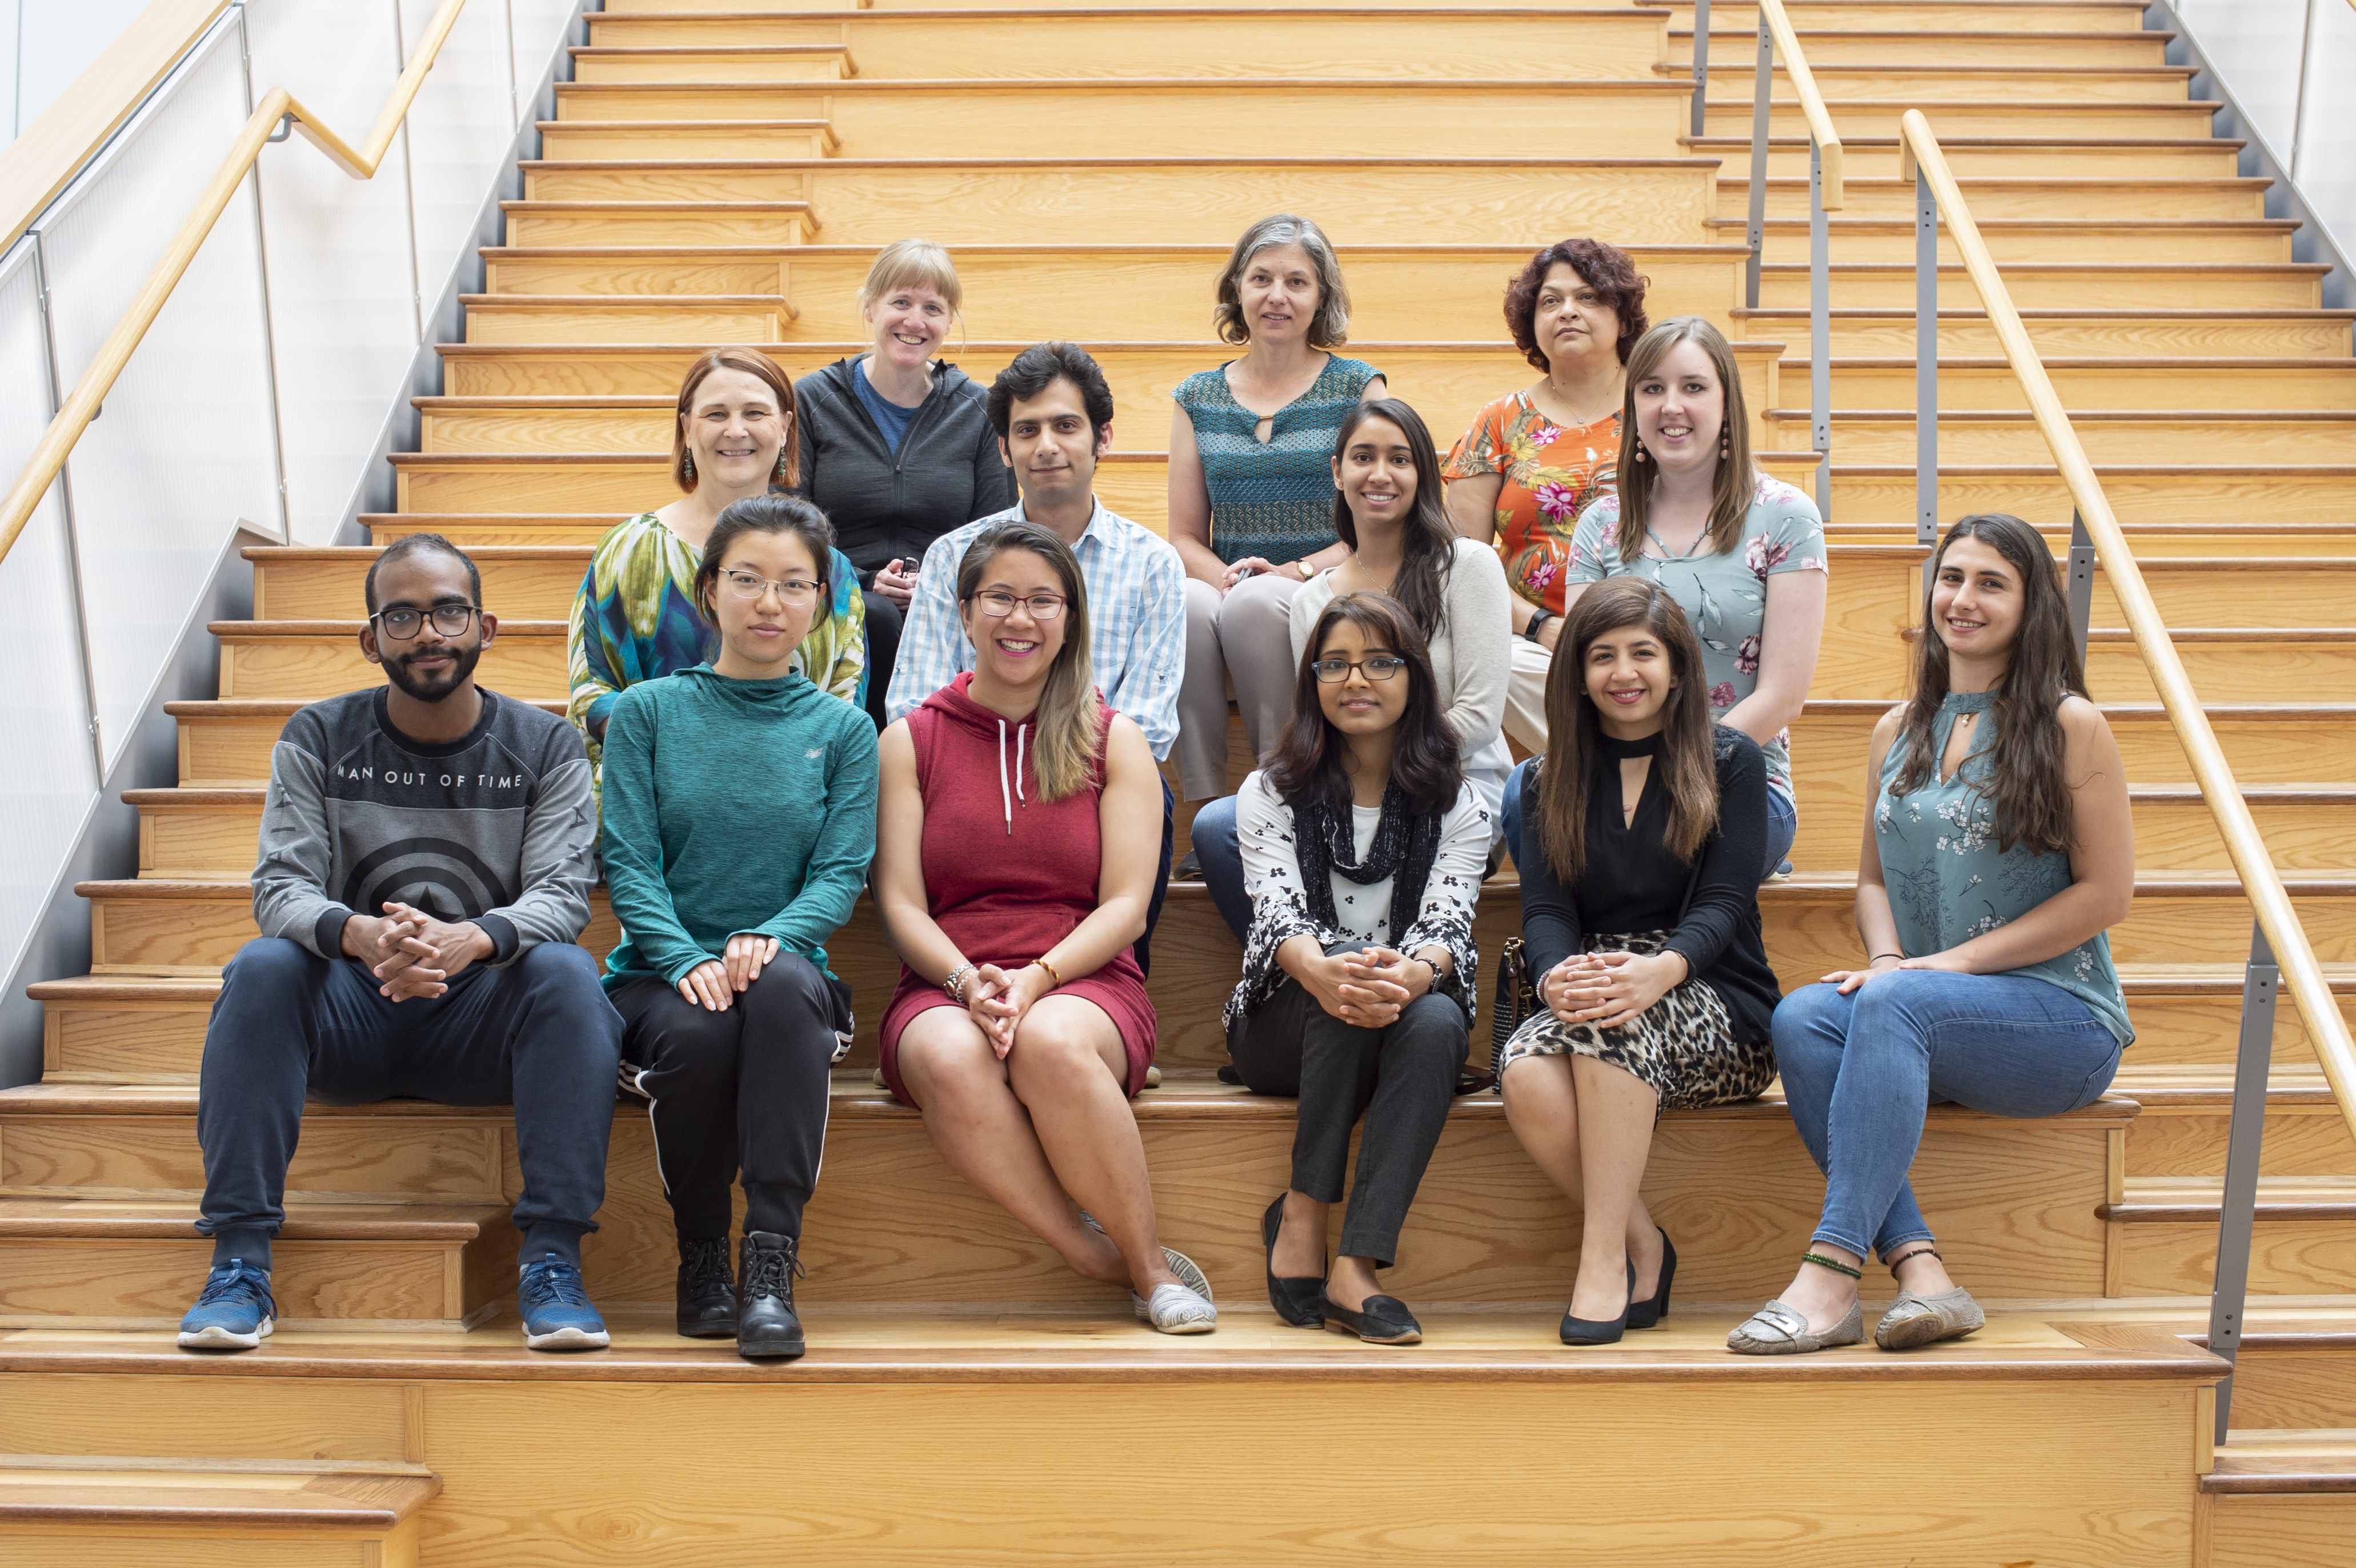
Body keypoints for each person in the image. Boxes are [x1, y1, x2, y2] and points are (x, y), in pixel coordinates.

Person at [180, 535, 622, 1354]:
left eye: (450, 611)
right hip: (352, 1017)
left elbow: (561, 898)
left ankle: (554, 1262)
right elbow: (279, 889)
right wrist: (362, 934)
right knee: (263, 965)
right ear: (370, 637)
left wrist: (472, 940)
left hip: (480, 1024)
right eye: (404, 616)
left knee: (566, 970)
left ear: (485, 627)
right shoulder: (317, 734)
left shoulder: (546, 744)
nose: (430, 633)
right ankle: (239, 1262)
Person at [1730, 514, 2134, 1356]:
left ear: (2032, 606)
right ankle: (1923, 1272)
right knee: (1802, 1018)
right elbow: (1872, 879)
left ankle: (1831, 1273)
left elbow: (2106, 895)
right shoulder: (1896, 730)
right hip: (1923, 1008)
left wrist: (1932, 969)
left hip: (2060, 1020)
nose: (1964, 599)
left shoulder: (2070, 725)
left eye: (1993, 583)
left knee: (1897, 1000)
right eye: (1953, 577)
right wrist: (1889, 963)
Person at [873, 521, 1216, 1334]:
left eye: (1041, 600)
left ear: (1070, 617)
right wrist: (966, 982)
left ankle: (1148, 1264)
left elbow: (1128, 906)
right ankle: (1087, 1251)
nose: (1018, 618)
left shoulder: (1114, 737)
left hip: (1084, 977)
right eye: (998, 597)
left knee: (1049, 1040)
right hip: (945, 977)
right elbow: (899, 904)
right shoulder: (909, 739)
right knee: (949, 1053)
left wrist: (1035, 980)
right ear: (963, 613)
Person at [597, 496, 879, 1361]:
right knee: (699, 1027)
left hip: (785, 970)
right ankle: (700, 1259)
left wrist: (774, 936)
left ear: (822, 599)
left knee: (785, 986)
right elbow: (628, 862)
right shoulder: (643, 713)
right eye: (748, 580)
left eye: (795, 584)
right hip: (657, 971)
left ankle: (768, 1263)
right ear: (707, 587)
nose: (769, 603)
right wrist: (684, 956)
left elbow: (841, 875)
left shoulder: (843, 729)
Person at [1499, 578, 1780, 1346]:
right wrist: (1555, 973)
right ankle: (1643, 1241)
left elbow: (1723, 905)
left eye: (1643, 653)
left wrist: (1661, 971)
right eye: (1602, 656)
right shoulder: (1541, 779)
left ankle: (1601, 1263)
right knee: (1522, 1068)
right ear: (1577, 675)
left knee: (1608, 1025)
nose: (1624, 672)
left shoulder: (1731, 760)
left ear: (1678, 668)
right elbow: (1549, 909)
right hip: (1594, 978)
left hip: (1715, 990)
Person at [1225, 592, 1485, 1345]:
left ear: (1415, 679)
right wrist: (1333, 971)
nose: (1355, 679)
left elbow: (1448, 924)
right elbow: (1279, 920)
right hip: (1280, 1025)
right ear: (1312, 683)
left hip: (1399, 1017)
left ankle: (1356, 1266)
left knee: (1438, 1017)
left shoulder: (1459, 803)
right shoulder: (1270, 790)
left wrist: (1414, 973)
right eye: (1334, 664)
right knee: (1338, 979)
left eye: (1379, 661)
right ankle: (1303, 1213)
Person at [887, 342, 1187, 975]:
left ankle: (1116, 980)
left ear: (1102, 437)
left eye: (1065, 425)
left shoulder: (1152, 562)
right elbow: (910, 701)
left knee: (1148, 792)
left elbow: (1148, 721)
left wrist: (1049, 760)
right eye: (1026, 430)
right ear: (1003, 449)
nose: (1045, 445)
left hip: (1087, 770)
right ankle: (944, 980)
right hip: (968, 761)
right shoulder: (953, 556)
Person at [1501, 315, 1828, 884]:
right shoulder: (1601, 523)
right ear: (1633, 409)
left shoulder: (1785, 515)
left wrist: (1664, 773)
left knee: (1649, 841)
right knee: (1516, 798)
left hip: (1732, 780)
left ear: (1726, 405)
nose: (1670, 406)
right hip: (1611, 774)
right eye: (1652, 388)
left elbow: (1781, 697)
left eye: (1692, 387)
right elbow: (1584, 672)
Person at [1193, 398, 1510, 941]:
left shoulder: (1467, 565)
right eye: (1363, 457)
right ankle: (1315, 972)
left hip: (1449, 785)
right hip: (1350, 793)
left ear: (1422, 474)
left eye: (1400, 459)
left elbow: (1479, 717)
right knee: (1219, 825)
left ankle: (1389, 983)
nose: (1380, 474)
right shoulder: (1312, 599)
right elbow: (1326, 716)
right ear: (1338, 472)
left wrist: (1384, 771)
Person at [568, 347, 865, 795]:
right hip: (655, 804)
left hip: (789, 804)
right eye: (716, 413)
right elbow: (592, 690)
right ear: (687, 428)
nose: (736, 429)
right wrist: (700, 756)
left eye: (755, 412)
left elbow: (846, 701)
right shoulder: (627, 550)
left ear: (784, 427)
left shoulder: (829, 568)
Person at [1168, 213, 1387, 817]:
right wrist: (1231, 576)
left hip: (1332, 583)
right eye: (1260, 278)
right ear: (1237, 289)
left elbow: (1381, 523)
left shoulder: (1357, 389)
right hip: (1234, 583)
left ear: (1321, 298)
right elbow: (1184, 535)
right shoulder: (1196, 398)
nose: (1276, 295)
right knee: (1186, 603)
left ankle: (1279, 796)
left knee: (1255, 603)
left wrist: (1290, 572)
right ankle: (1206, 803)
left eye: (1296, 281)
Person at [790, 239, 1016, 728]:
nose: (916, 321)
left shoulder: (981, 411)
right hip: (833, 592)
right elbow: (790, 522)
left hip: (947, 596)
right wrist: (863, 580)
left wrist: (937, 585)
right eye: (901, 302)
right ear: (870, 306)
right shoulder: (811, 400)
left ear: (949, 321)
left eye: (932, 308)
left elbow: (996, 532)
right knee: (877, 615)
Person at [1443, 238, 1649, 753]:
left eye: (1589, 298)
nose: (1568, 312)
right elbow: (1458, 558)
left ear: (1623, 319)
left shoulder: (1657, 409)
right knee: (1487, 663)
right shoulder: (1499, 421)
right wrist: (1541, 626)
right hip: (1531, 643)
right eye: (1550, 301)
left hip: (1647, 629)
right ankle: (1600, 777)